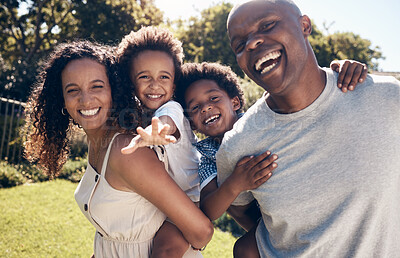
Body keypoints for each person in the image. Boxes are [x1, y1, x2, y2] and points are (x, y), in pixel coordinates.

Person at [217, 0, 400, 257]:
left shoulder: (386, 98)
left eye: (267, 25)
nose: (251, 43)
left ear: (305, 25)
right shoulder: (239, 145)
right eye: (239, 44)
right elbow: (238, 208)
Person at [23, 40, 213, 258]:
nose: (86, 100)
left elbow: (201, 232)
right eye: (73, 90)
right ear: (62, 99)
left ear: (115, 89)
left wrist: (159, 130)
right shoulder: (98, 142)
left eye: (97, 86)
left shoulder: (126, 151)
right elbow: (114, 235)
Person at [175, 60, 368, 258]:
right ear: (193, 125)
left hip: (315, 196)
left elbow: (297, 94)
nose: (206, 108)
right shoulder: (205, 155)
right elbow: (208, 210)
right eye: (196, 107)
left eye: (213, 98)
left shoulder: (261, 120)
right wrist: (235, 184)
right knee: (244, 249)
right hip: (274, 225)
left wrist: (341, 69)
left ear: (234, 102)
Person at [116, 26, 204, 257]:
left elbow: (168, 123)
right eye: (144, 77)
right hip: (164, 201)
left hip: (191, 199)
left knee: (165, 250)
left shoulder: (171, 108)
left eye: (164, 77)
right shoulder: (133, 115)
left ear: (174, 85)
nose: (155, 85)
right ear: (131, 82)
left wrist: (159, 131)